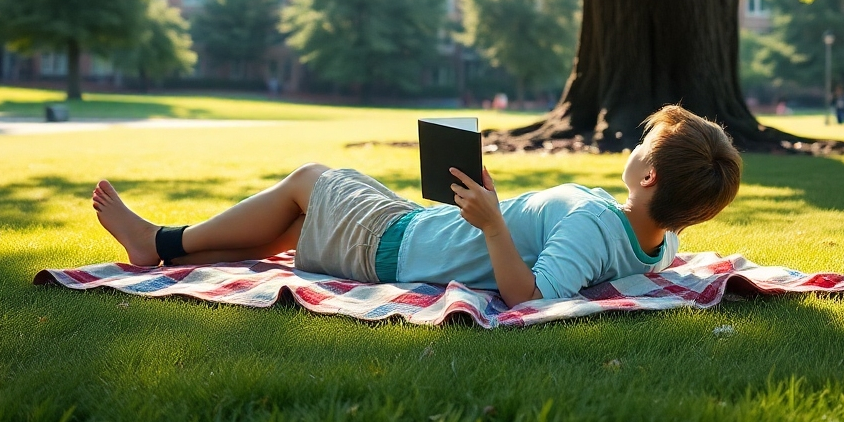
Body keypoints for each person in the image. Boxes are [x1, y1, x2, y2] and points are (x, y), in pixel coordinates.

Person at [92, 105, 743, 308]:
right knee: (291, 229)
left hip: (396, 246)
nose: (632, 149)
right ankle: (166, 249)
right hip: (414, 231)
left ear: (649, 174)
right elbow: (557, 252)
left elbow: (530, 297)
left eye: (640, 146)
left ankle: (162, 240)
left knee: (311, 179)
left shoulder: (592, 222)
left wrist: (491, 223)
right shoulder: (660, 241)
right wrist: (495, 205)